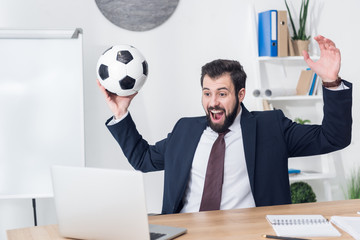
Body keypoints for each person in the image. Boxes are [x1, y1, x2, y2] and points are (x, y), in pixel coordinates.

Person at [97, 35, 352, 214]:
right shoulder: (185, 131)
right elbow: (142, 159)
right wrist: (121, 113)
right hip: (187, 230)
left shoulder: (271, 127)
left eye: (222, 93)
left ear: (240, 95)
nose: (213, 102)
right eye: (207, 93)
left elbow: (333, 137)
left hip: (248, 232)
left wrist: (331, 82)